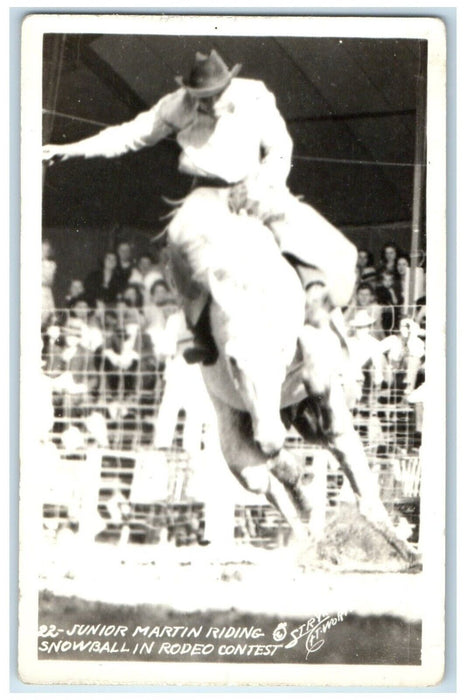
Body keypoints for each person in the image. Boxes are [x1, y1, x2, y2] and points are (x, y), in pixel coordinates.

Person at [43, 49, 357, 365]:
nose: (207, 103)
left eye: (212, 95)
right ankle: (201, 328)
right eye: (200, 96)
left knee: (304, 229)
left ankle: (314, 294)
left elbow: (280, 147)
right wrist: (72, 150)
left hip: (256, 184)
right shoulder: (177, 104)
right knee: (179, 240)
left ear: (227, 85)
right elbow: (130, 135)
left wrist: (262, 185)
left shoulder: (254, 96)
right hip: (206, 195)